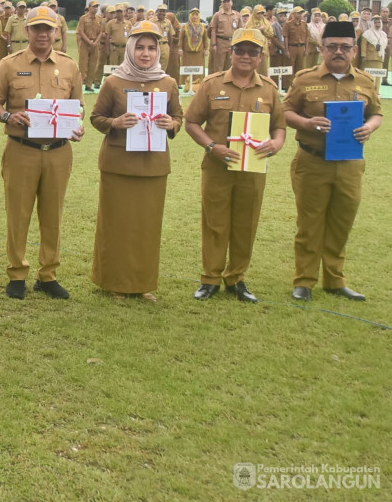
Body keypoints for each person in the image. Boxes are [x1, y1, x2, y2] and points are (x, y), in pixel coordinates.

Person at [0, 5, 84, 300]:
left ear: (57, 32)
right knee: (18, 214)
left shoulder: (69, 66)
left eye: (48, 28)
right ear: (26, 30)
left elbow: (78, 105)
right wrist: (8, 117)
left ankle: (48, 274)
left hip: (58, 151)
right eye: (37, 28)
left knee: (53, 214)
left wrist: (77, 125)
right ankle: (17, 273)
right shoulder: (9, 64)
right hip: (21, 150)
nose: (43, 33)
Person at [183, 28, 286, 303]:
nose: (246, 56)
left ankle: (237, 278)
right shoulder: (211, 85)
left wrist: (276, 144)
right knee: (214, 223)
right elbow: (191, 122)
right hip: (217, 166)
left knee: (245, 224)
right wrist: (210, 146)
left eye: (253, 51)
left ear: (261, 56)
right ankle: (210, 279)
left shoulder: (270, 89)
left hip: (252, 170)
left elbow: (279, 128)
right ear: (231, 52)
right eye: (240, 50)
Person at [283, 21, 382, 301]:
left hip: (350, 164)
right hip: (312, 162)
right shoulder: (305, 78)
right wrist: (307, 121)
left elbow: (377, 113)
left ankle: (335, 280)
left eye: (345, 48)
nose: (339, 52)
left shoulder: (364, 81)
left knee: (342, 221)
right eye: (332, 47)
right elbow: (285, 111)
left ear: (354, 51)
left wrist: (370, 127)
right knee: (310, 222)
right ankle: (304, 281)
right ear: (322, 49)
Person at [89, 22, 184, 301]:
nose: (146, 53)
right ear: (130, 49)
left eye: (152, 48)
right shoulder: (114, 82)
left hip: (153, 167)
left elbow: (179, 116)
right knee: (117, 224)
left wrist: (171, 124)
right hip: (118, 165)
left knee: (147, 226)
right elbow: (96, 118)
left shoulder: (168, 83)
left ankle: (142, 284)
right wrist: (115, 122)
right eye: (140, 47)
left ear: (159, 51)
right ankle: (115, 282)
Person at [209, 0, 241, 73]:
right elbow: (213, 30)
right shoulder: (217, 15)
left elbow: (240, 29)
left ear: (231, 3)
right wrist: (214, 44)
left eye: (228, 1)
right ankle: (217, 84)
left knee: (230, 66)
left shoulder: (237, 15)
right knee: (219, 66)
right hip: (221, 42)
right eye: (224, 2)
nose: (226, 3)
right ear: (222, 4)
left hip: (233, 43)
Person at [77, 0, 103, 92]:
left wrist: (95, 42)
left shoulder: (99, 19)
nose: (95, 8)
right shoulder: (83, 18)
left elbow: (101, 32)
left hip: (95, 43)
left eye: (97, 6)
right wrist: (89, 42)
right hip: (85, 43)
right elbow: (81, 31)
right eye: (94, 6)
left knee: (93, 65)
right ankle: (79, 85)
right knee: (83, 66)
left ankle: (89, 85)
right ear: (89, 7)